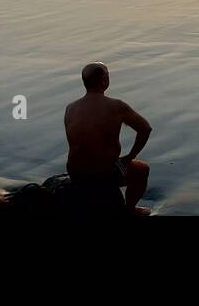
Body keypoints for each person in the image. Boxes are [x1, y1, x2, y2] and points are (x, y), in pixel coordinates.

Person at [64, 62, 152, 215]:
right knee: (141, 169)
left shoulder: (71, 107)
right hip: (103, 173)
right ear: (105, 80)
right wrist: (130, 156)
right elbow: (145, 129)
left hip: (75, 172)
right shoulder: (117, 106)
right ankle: (130, 210)